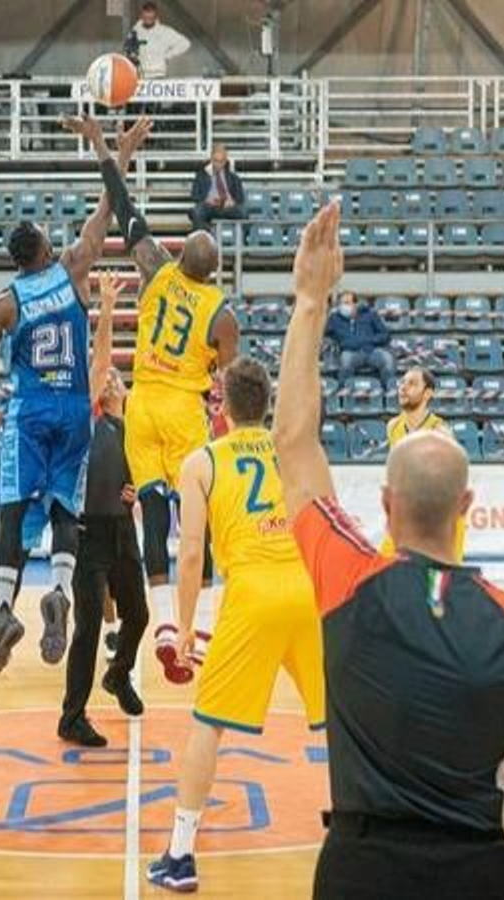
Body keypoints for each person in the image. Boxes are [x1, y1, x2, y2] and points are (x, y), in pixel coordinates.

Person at [275, 201, 504, 900]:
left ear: (385, 503)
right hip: (474, 868)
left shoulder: (347, 579)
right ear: (467, 506)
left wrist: (311, 301)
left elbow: (292, 443)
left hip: (360, 867)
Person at [0, 272, 148, 746]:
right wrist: (107, 309)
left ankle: (116, 674)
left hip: (121, 527)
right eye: (109, 378)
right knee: (88, 625)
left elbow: (149, 466)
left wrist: (140, 487)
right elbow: (95, 363)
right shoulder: (82, 407)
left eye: (118, 379)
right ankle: (71, 713)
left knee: (136, 616)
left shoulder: (130, 421)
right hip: (85, 526)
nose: (113, 379)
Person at [0, 125, 123, 679]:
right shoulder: (73, 269)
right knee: (63, 507)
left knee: (12, 510)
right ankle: (58, 592)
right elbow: (111, 206)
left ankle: (3, 610)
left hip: (29, 412)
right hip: (75, 410)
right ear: (44, 249)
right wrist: (114, 151)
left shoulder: (2, 306)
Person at [144, 357, 325, 892]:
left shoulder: (202, 461)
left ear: (220, 403)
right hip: (306, 589)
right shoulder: (294, 451)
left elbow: (193, 553)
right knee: (340, 725)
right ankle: (364, 843)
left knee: (209, 724)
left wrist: (180, 629)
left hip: (251, 595)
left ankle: (180, 856)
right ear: (267, 403)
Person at [70, 113, 239, 683]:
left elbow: (120, 203)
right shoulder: (222, 312)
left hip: (142, 406)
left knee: (154, 518)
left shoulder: (155, 271)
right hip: (185, 413)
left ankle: (166, 625)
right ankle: (202, 627)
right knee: (199, 524)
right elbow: (233, 380)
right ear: (214, 273)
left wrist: (103, 146)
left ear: (177, 256)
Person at [383, 367, 463, 559]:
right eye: (402, 382)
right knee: (384, 567)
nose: (403, 388)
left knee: (445, 575)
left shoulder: (441, 432)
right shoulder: (393, 427)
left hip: (439, 517)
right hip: (407, 514)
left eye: (412, 384)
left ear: (427, 393)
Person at [327, 292, 395, 379]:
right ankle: (343, 389)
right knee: (346, 361)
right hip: (350, 351)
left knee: (387, 359)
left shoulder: (369, 314)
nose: (343, 306)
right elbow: (324, 333)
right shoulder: (335, 318)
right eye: (342, 303)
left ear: (355, 304)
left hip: (371, 350)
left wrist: (370, 340)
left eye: (347, 303)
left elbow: (385, 335)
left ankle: (390, 388)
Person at [125, 1, 190, 79]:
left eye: (151, 17)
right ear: (141, 16)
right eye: (146, 17)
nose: (148, 19)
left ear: (155, 16)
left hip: (159, 75)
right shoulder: (134, 33)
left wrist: (167, 55)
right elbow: (127, 51)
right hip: (140, 76)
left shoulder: (165, 31)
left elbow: (185, 43)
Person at [188, 145, 245, 232]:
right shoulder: (201, 175)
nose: (218, 164)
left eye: (221, 161)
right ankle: (209, 232)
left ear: (225, 161)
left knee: (243, 212)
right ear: (211, 159)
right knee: (196, 212)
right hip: (209, 207)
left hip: (227, 208)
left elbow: (240, 198)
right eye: (216, 161)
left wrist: (232, 202)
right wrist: (206, 200)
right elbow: (194, 195)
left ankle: (242, 239)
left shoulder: (233, 177)